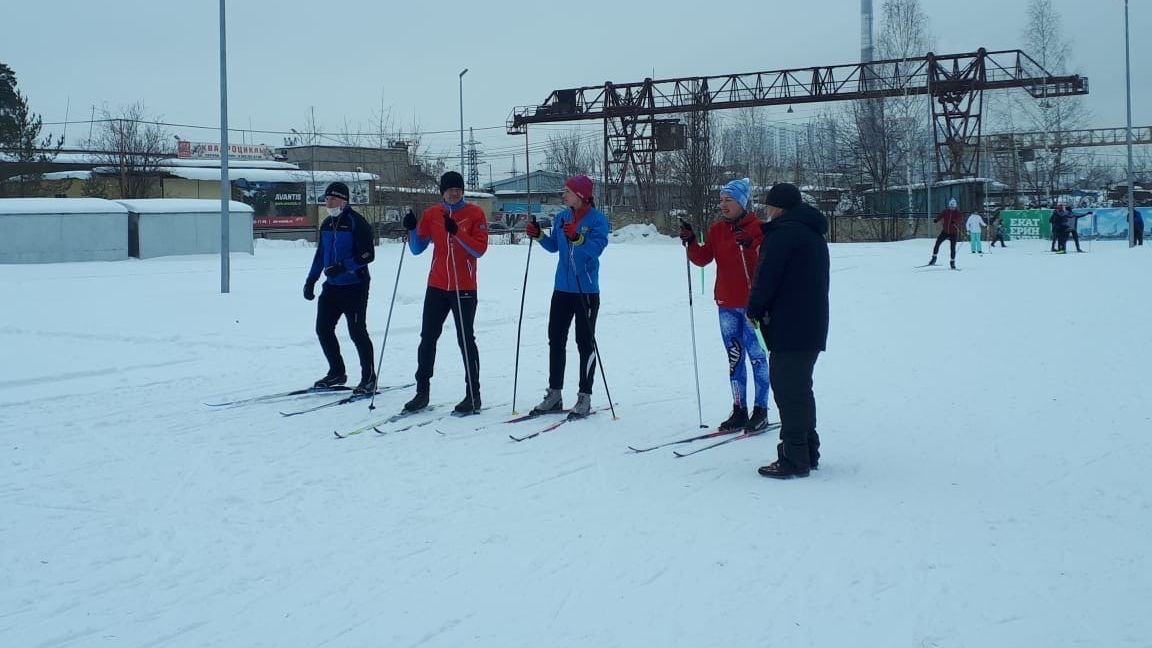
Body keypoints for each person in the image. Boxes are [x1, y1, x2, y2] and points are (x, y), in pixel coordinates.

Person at [746, 183, 829, 480]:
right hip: (811, 325)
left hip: (790, 326)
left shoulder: (783, 235)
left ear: (778, 208)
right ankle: (808, 449)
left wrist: (754, 309)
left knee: (788, 390)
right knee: (800, 390)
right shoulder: (813, 234)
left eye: (768, 207)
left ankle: (794, 458)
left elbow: (766, 276)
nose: (766, 213)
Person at [679, 178, 771, 432]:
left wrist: (751, 244)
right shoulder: (718, 229)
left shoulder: (759, 228)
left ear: (742, 202)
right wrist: (690, 242)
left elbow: (768, 259)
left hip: (753, 305)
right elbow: (703, 258)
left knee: (757, 358)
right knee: (735, 358)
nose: (723, 205)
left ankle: (761, 409)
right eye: (721, 200)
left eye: (728, 200)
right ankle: (739, 408)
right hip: (726, 304)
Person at [401, 171, 489, 414]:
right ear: (443, 192)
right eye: (450, 189)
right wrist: (410, 229)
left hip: (464, 287)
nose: (454, 193)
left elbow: (480, 250)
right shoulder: (432, 214)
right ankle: (422, 392)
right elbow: (417, 248)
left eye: (458, 189)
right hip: (437, 286)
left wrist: (458, 232)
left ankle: (473, 394)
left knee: (465, 340)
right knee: (427, 338)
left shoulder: (474, 213)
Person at [524, 174, 610, 418]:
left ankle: (585, 396)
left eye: (568, 192)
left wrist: (578, 238)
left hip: (586, 290)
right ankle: (554, 392)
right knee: (556, 339)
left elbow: (595, 250)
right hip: (561, 289)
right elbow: (554, 247)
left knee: (584, 343)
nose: (564, 196)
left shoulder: (598, 220)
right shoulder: (562, 217)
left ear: (581, 195)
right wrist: (539, 235)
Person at [304, 182, 377, 395]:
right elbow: (320, 255)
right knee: (323, 329)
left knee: (357, 331)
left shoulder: (357, 222)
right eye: (327, 199)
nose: (329, 202)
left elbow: (368, 255)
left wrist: (344, 267)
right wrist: (311, 280)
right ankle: (336, 371)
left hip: (355, 286)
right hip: (332, 288)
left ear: (344, 201)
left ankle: (369, 377)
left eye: (334, 199)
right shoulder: (326, 224)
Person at [928, 198, 964, 269]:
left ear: (955, 206)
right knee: (937, 243)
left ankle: (952, 262)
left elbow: (960, 219)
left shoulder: (958, 213)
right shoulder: (946, 211)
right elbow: (940, 215)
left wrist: (955, 221)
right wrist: (936, 219)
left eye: (953, 206)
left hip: (953, 233)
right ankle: (933, 259)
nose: (951, 208)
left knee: (952, 248)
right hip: (945, 232)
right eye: (950, 206)